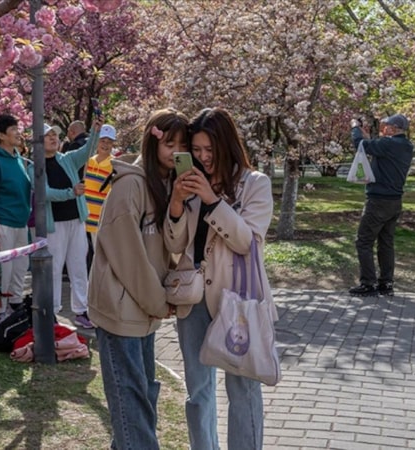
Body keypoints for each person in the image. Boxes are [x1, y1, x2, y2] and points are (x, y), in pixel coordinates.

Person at [166, 107, 275, 450]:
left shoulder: (255, 184)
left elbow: (246, 242)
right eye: (196, 150)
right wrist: (177, 203)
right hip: (194, 297)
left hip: (237, 299)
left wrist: (212, 200)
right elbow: (175, 244)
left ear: (226, 145)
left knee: (242, 390)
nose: (203, 157)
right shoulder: (190, 183)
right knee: (198, 391)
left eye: (210, 150)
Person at [87, 109, 187, 450]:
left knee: (143, 393)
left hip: (143, 307)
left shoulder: (167, 184)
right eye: (169, 143)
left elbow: (171, 245)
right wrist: (158, 301)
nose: (176, 152)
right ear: (152, 142)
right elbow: (127, 256)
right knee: (130, 398)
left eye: (182, 145)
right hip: (121, 308)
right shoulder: (130, 185)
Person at [39, 121, 98, 328]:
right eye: (48, 135)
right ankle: (53, 311)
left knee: (79, 266)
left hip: (76, 221)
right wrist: (70, 193)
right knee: (54, 268)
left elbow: (88, 150)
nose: (53, 138)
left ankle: (82, 310)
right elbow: (44, 193)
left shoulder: (68, 159)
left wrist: (96, 131)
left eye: (55, 135)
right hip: (54, 225)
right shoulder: (34, 166)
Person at [348, 114, 414, 297]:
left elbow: (360, 145)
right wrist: (367, 137)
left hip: (378, 200)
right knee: (386, 243)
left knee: (364, 241)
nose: (384, 129)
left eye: (386, 126)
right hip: (395, 201)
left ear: (394, 128)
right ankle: (386, 282)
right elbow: (373, 147)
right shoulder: (406, 146)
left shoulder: (388, 144)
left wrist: (355, 127)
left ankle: (368, 283)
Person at [0, 114, 32, 327]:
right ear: (1, 135)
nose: (18, 133)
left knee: (21, 266)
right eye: (13, 129)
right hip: (2, 222)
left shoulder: (18, 159)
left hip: (20, 223)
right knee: (3, 270)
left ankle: (15, 304)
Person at [84, 124, 116, 272]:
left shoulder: (115, 165)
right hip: (84, 219)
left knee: (100, 258)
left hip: (100, 220)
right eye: (103, 140)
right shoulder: (88, 161)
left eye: (109, 142)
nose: (105, 144)